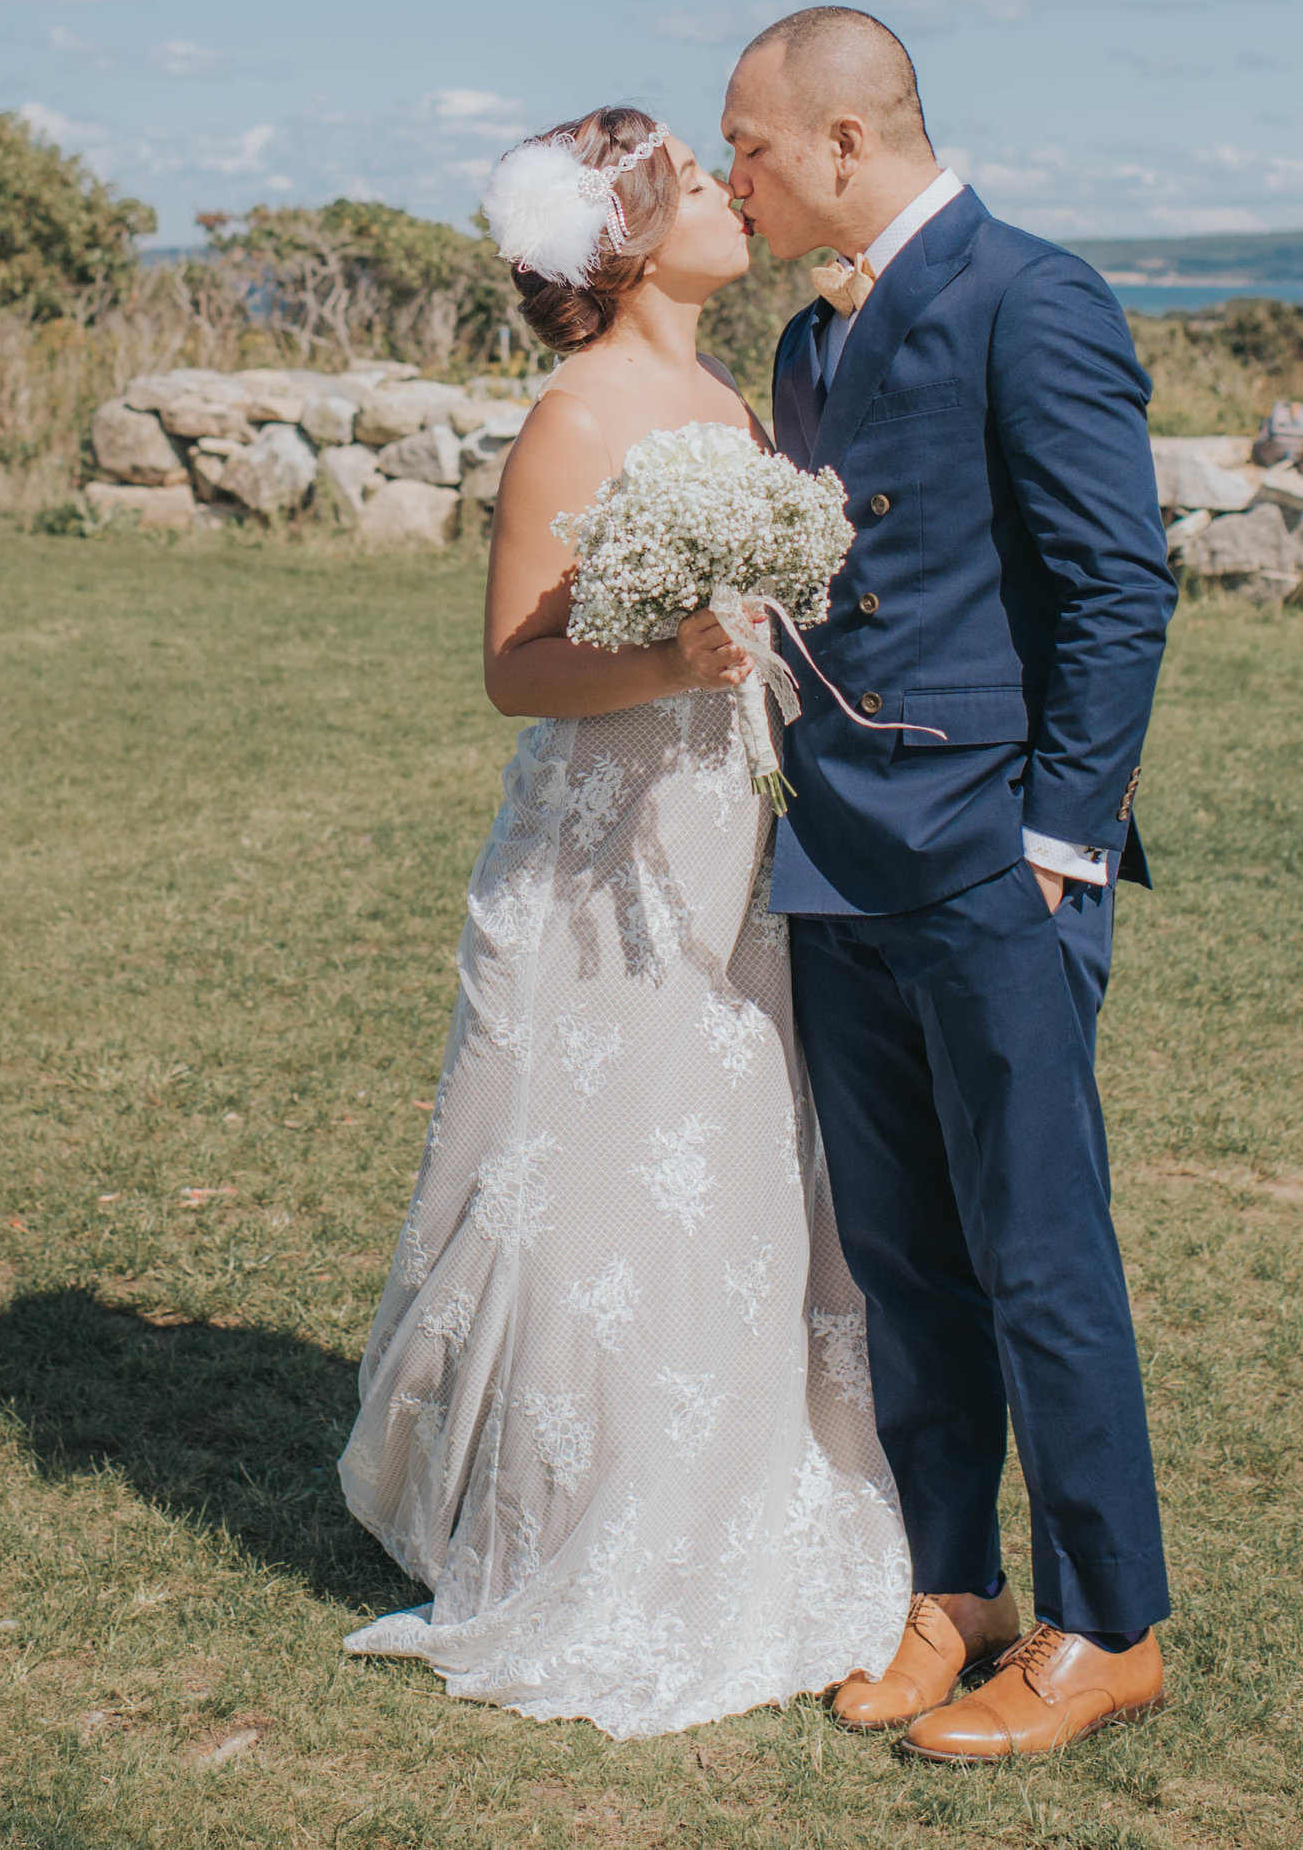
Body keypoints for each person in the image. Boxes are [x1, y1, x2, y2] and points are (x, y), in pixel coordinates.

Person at [338, 105, 907, 1739]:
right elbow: (516, 663)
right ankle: (588, 1527)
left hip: (736, 819)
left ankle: (748, 1486)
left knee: (732, 1150)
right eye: (699, 180)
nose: (737, 190)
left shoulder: (731, 391)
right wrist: (667, 665)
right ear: (633, 243)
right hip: (611, 850)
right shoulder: (578, 415)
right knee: (603, 1171)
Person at [720, 6, 1176, 1768]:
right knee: (905, 1259)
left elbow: (1114, 587)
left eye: (750, 145)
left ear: (844, 142)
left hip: (994, 862)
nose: (733, 177)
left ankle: (1107, 1624)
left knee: (1039, 1253)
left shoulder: (1029, 295)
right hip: (839, 856)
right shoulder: (804, 347)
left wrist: (1058, 843)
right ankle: (955, 1587)